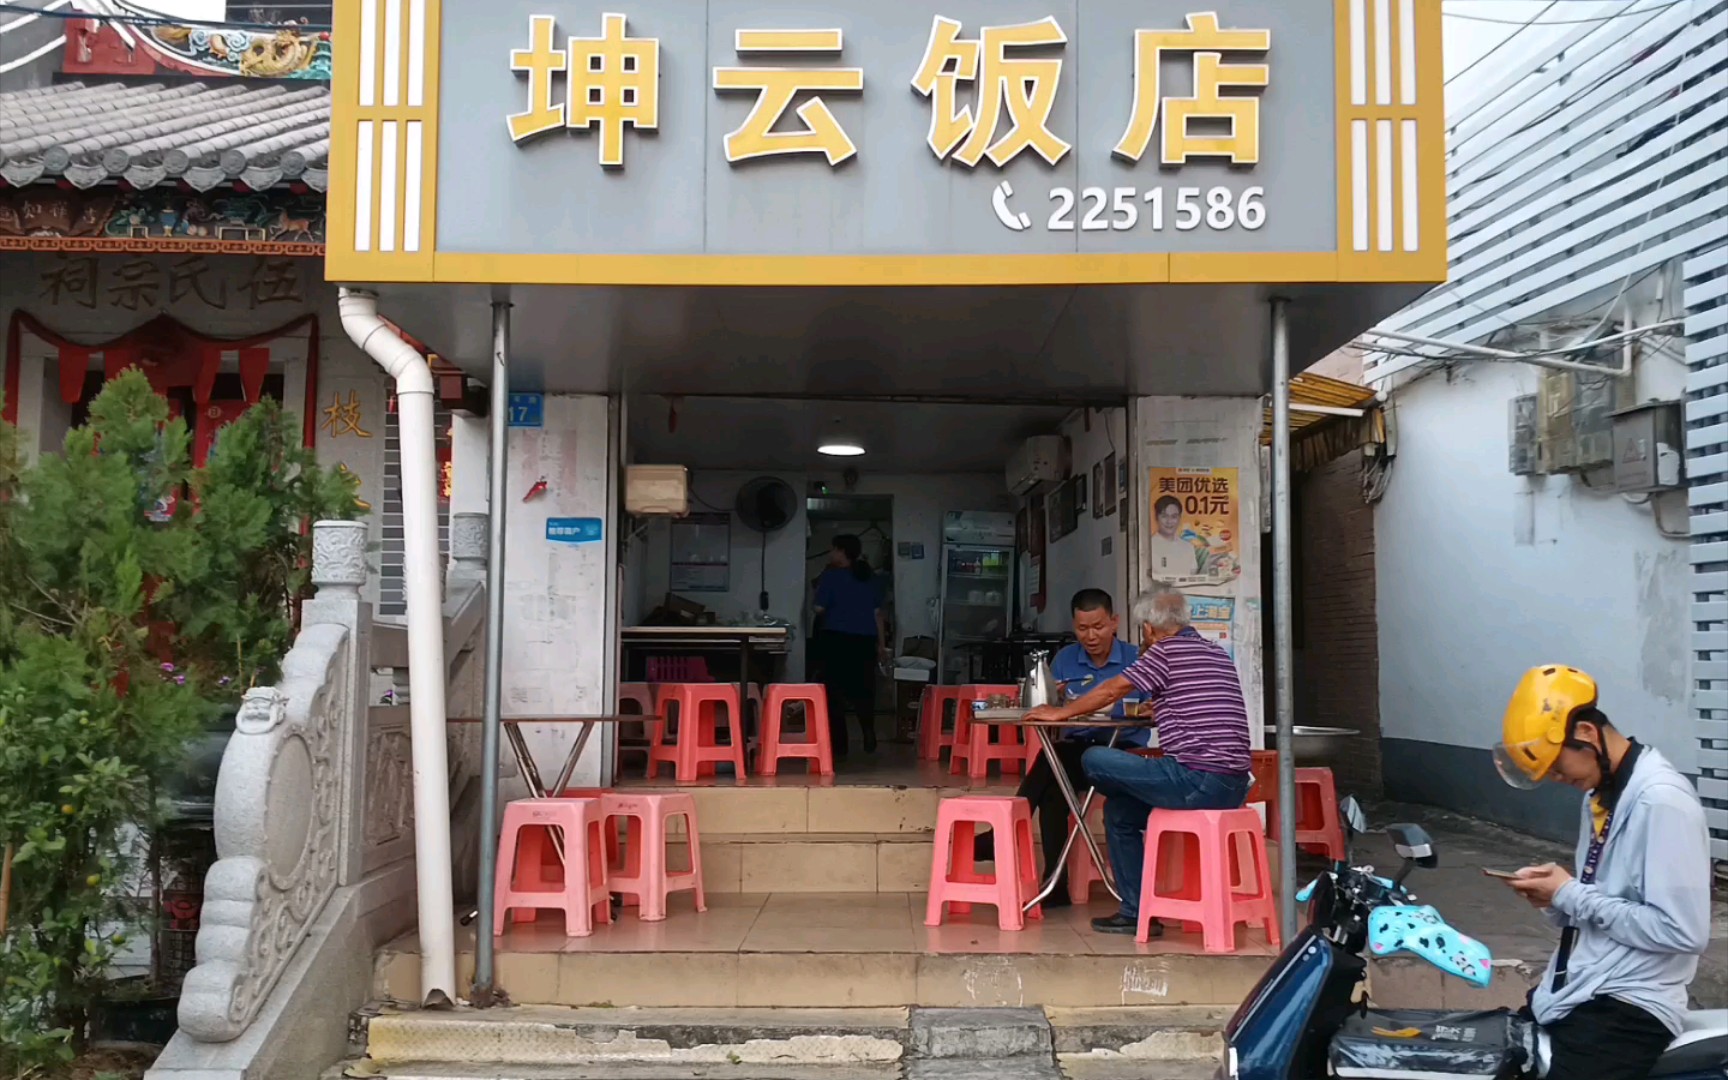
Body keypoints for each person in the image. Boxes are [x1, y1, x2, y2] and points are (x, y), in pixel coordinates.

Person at [1491, 664, 1709, 1080]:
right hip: (1583, 988)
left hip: (1629, 1006)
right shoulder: (1602, 794)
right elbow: (1606, 899)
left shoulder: (1661, 803)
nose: (1558, 779)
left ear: (1587, 734)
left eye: (1557, 767)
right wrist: (1552, 898)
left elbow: (1683, 932)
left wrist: (1570, 894)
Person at [1024, 582, 1251, 935]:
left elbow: (1114, 688)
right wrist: (1159, 708)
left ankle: (1123, 899)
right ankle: (1137, 911)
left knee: (1095, 759)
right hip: (1234, 785)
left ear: (1147, 627)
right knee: (1120, 812)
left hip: (1193, 779)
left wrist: (1061, 714)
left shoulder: (1164, 652)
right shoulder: (1215, 652)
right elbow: (1198, 707)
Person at [973, 589, 1144, 906]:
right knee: (1055, 786)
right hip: (1078, 752)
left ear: (1115, 622)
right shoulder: (1066, 659)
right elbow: (1047, 713)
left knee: (1056, 764)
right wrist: (1053, 697)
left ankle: (1002, 836)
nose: (1090, 636)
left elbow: (1153, 709)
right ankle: (1057, 884)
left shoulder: (1136, 659)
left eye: (1098, 627)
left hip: (1124, 754)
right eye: (1082, 628)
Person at [813, 534, 887, 757]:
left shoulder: (831, 577)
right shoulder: (870, 578)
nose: (830, 554)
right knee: (865, 690)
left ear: (841, 551)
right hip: (865, 641)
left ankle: (840, 746)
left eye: (833, 549)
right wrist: (882, 646)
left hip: (836, 640)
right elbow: (878, 615)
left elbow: (818, 609)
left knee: (833, 693)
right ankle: (868, 732)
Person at [1148, 495, 1194, 582]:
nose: (1169, 521)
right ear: (1156, 517)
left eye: (1174, 517)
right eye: (1164, 516)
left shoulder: (1188, 547)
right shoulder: (1148, 546)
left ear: (1179, 518)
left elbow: (1193, 575)